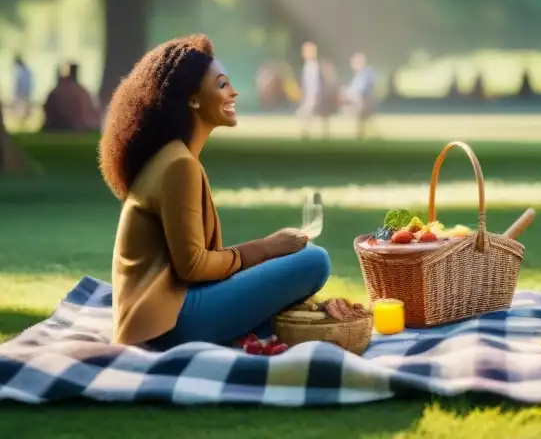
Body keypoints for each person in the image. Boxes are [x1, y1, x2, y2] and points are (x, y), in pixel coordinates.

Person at [101, 34, 331, 348]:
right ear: (192, 99)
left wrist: (265, 254)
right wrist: (263, 249)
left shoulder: (174, 157)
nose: (233, 92)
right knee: (315, 260)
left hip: (168, 311)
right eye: (222, 85)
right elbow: (193, 266)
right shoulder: (178, 165)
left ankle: (256, 332)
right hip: (167, 324)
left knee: (284, 274)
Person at [343, 51, 377, 139]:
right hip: (361, 102)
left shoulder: (364, 75)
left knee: (357, 109)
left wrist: (347, 95)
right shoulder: (358, 75)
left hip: (364, 102)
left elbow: (360, 91)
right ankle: (364, 132)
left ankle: (364, 133)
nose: (352, 64)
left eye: (354, 62)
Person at [296, 41, 321, 138]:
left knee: (304, 112)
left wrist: (314, 97)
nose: (305, 53)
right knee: (302, 113)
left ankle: (306, 132)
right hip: (308, 96)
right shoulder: (307, 66)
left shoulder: (313, 66)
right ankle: (306, 131)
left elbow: (314, 84)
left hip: (313, 96)